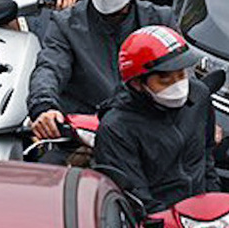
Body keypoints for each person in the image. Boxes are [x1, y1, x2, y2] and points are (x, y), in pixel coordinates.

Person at [27, 0, 173, 142]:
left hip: (145, 134)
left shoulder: (159, 20)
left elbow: (182, 79)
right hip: (82, 133)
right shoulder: (66, 22)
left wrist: (201, 116)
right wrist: (44, 107)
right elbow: (50, 67)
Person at [91, 25, 217, 215]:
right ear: (137, 83)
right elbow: (135, 198)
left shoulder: (199, 96)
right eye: (165, 80)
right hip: (158, 227)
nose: (178, 85)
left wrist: (214, 201)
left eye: (181, 74)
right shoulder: (116, 128)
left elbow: (206, 155)